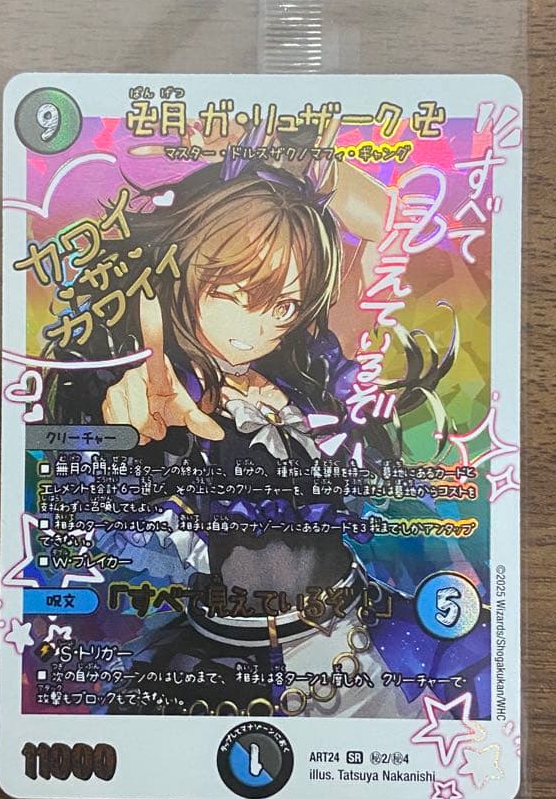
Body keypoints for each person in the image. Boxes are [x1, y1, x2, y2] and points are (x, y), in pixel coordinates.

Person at [44, 152, 465, 717]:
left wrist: (301, 159)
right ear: (180, 270)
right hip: (219, 659)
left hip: (353, 644)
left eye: (284, 304)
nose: (259, 326)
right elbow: (86, 508)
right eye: (232, 292)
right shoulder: (159, 394)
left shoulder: (310, 376)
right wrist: (118, 435)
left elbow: (392, 225)